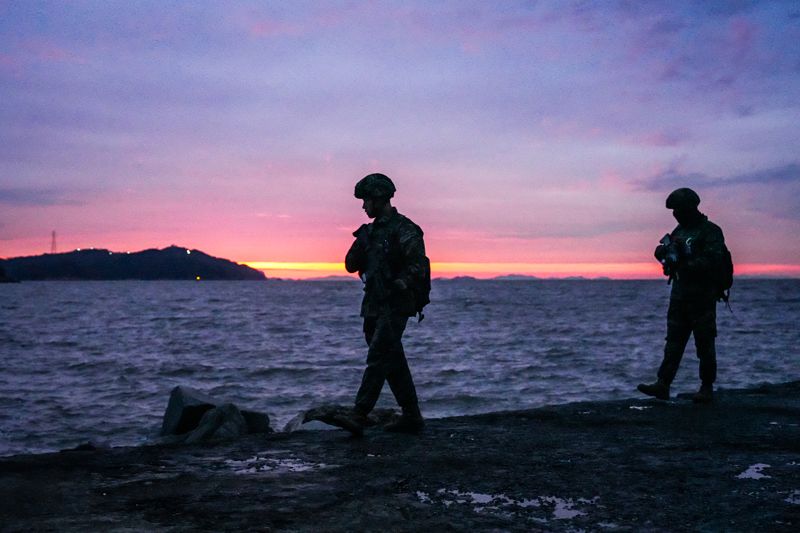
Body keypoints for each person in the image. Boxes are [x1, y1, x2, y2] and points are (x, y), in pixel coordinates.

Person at [343, 173, 428, 434]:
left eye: (366, 200)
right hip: (373, 305)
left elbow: (417, 265)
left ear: (379, 199)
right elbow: (349, 265)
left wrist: (400, 283)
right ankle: (412, 414)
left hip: (396, 304)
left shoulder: (405, 229)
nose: (363, 206)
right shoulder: (370, 232)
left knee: (379, 356)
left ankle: (360, 412)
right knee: (392, 359)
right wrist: (362, 244)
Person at [638, 188, 727, 403]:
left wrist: (685, 263)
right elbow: (671, 257)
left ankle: (706, 387)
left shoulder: (710, 231)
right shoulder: (680, 230)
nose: (675, 213)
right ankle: (663, 384)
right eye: (673, 210)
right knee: (673, 342)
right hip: (680, 295)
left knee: (704, 342)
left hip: (702, 297)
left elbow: (713, 261)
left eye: (678, 209)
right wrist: (663, 254)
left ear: (690, 208)